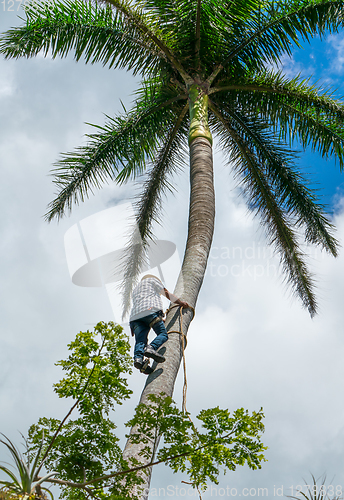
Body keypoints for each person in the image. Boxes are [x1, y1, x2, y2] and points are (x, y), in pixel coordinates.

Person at [129, 274, 189, 373]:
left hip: (135, 318)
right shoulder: (152, 280)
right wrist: (180, 303)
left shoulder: (136, 289)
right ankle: (151, 348)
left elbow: (139, 307)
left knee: (140, 341)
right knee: (163, 334)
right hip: (150, 311)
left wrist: (133, 328)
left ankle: (138, 359)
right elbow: (166, 293)